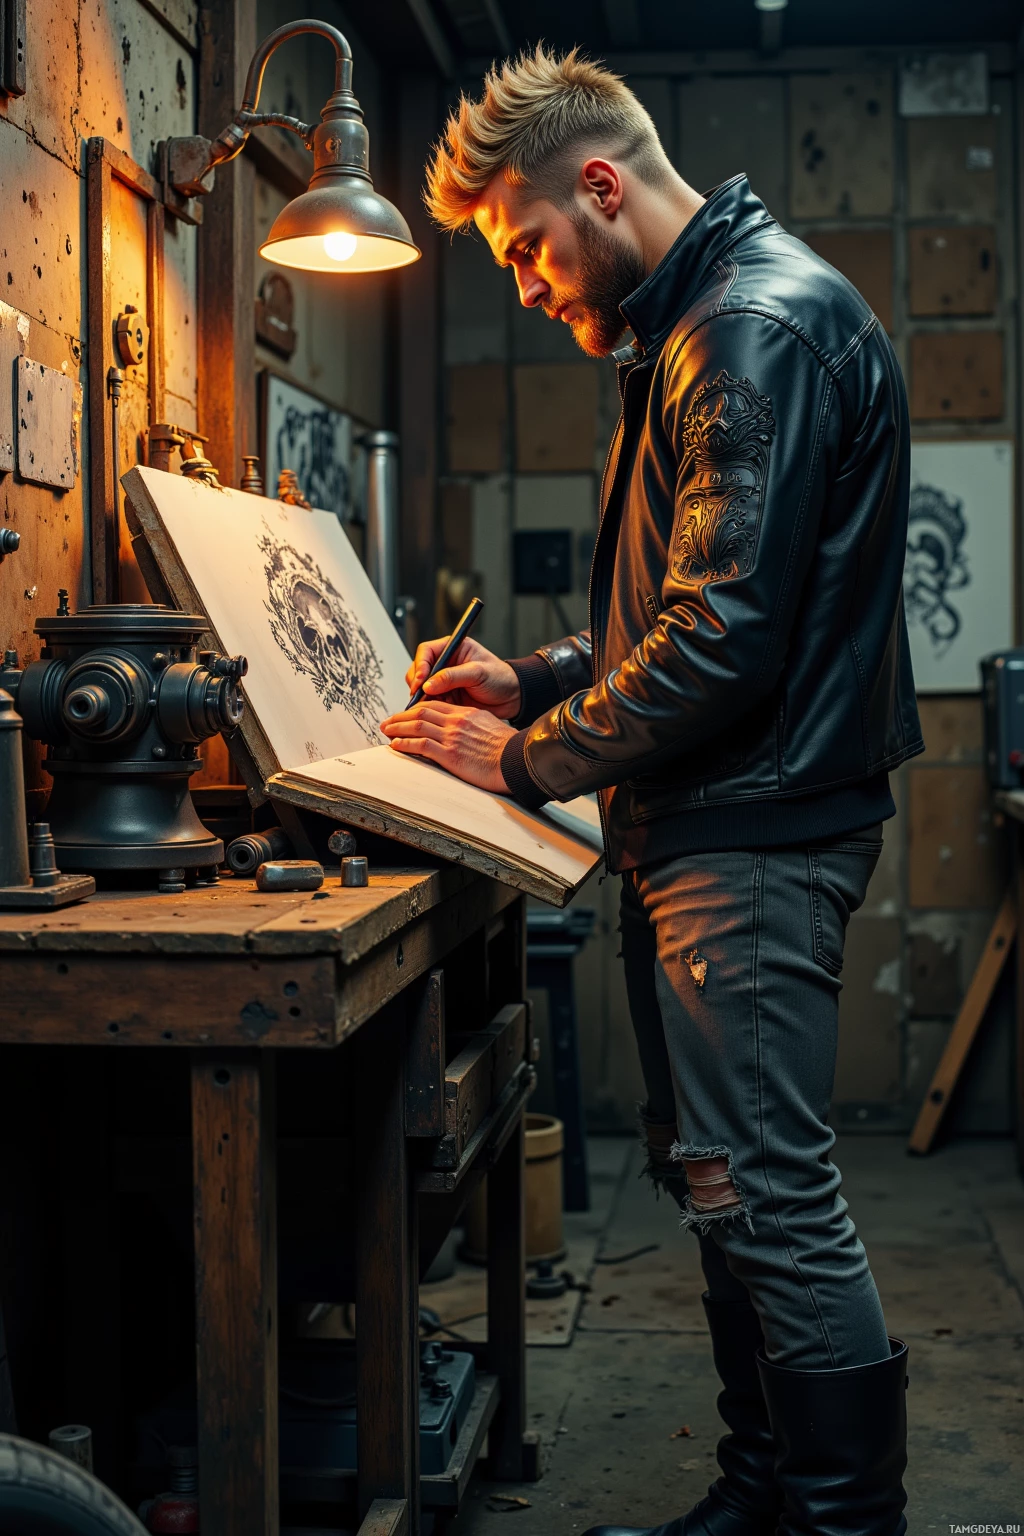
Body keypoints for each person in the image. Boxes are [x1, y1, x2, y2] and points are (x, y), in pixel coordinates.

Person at [381, 45, 920, 1536]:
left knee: (770, 1191)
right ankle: (764, 1493)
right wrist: (538, 678)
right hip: (713, 821)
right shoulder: (696, 322)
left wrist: (526, 759)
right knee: (725, 1187)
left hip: (752, 830)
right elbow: (690, 602)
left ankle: (834, 1519)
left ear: (598, 186)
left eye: (526, 246)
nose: (528, 284)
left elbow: (728, 640)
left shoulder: (749, 331)